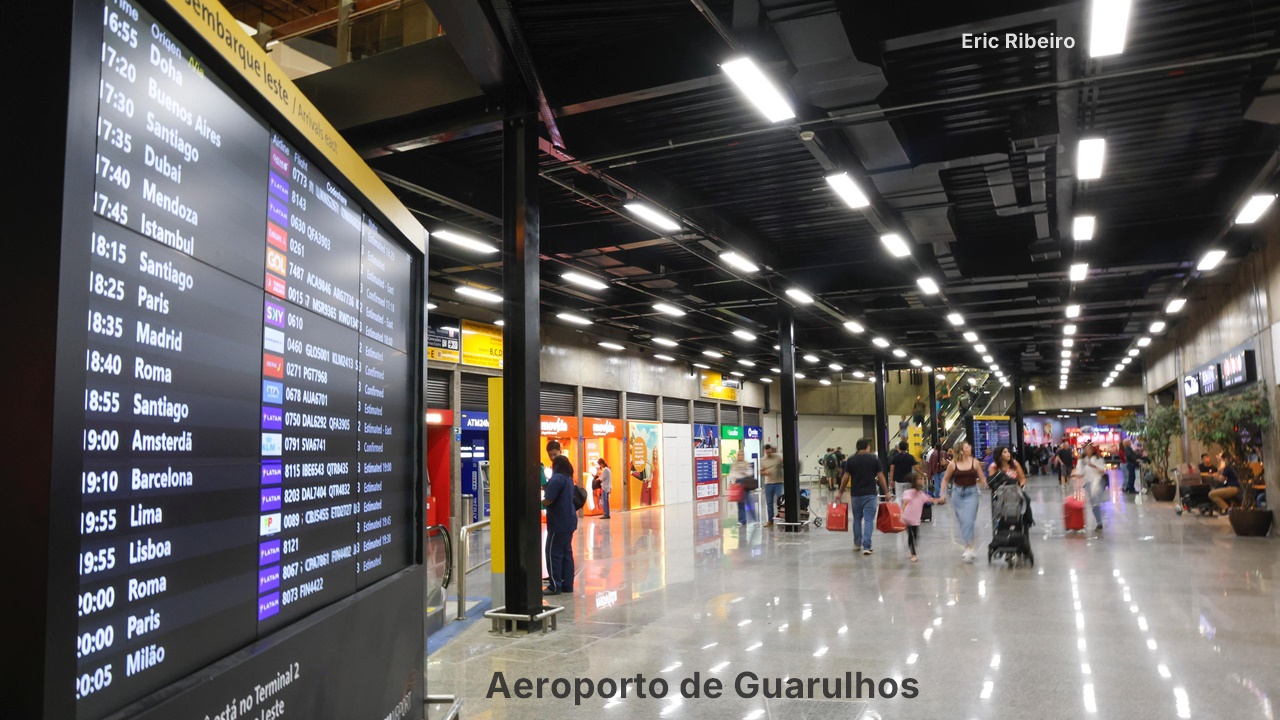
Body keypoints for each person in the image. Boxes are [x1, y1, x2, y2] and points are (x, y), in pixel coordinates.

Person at [936, 440, 988, 562]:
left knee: (969, 520)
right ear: (961, 451)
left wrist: (987, 484)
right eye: (967, 447)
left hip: (972, 493)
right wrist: (942, 494)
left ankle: (969, 547)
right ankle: (968, 546)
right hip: (957, 494)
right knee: (963, 521)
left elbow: (982, 478)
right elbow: (945, 479)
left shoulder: (974, 462)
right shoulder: (953, 464)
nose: (970, 448)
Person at [835, 438, 889, 555]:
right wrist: (887, 492)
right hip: (870, 494)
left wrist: (840, 492)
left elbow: (845, 477)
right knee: (869, 520)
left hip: (856, 495)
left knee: (857, 519)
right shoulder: (874, 459)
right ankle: (867, 546)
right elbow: (881, 476)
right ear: (867, 447)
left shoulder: (851, 460)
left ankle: (857, 543)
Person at [541, 454, 577, 595]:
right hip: (570, 520)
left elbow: (549, 499)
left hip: (558, 523)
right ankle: (567, 585)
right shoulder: (568, 478)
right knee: (566, 553)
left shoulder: (557, 479)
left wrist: (535, 504)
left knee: (552, 553)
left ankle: (554, 586)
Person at [1070, 442, 1108, 533]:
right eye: (1086, 449)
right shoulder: (1084, 461)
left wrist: (1093, 466)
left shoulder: (1098, 460)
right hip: (1089, 484)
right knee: (1094, 504)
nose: (1088, 451)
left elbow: (1102, 471)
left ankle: (1099, 522)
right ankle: (1099, 522)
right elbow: (1081, 473)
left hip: (1099, 482)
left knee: (1095, 500)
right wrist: (1075, 475)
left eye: (1090, 449)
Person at [899, 474, 933, 562]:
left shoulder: (921, 493)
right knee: (910, 535)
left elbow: (929, 500)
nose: (922, 481)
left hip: (915, 519)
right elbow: (905, 503)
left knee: (916, 536)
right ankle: (913, 554)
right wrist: (902, 512)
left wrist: (939, 500)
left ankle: (912, 550)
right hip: (907, 517)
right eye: (920, 479)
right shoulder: (908, 492)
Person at [760, 444, 784, 527]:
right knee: (769, 503)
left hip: (778, 482)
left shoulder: (778, 457)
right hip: (768, 484)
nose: (768, 452)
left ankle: (782, 517)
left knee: (780, 501)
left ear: (771, 450)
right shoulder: (762, 460)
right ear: (765, 451)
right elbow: (760, 472)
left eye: (770, 450)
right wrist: (765, 472)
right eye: (767, 451)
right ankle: (770, 520)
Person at [730, 456, 757, 525]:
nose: (740, 456)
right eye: (739, 455)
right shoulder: (734, 465)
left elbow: (750, 472)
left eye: (742, 455)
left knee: (748, 502)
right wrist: (734, 480)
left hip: (745, 483)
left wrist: (745, 473)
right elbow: (732, 474)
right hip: (738, 483)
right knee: (740, 503)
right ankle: (742, 520)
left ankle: (754, 519)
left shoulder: (746, 464)